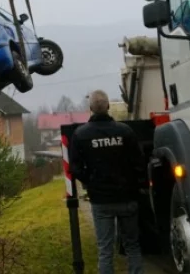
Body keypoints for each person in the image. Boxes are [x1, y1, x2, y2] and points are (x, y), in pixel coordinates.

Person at [70, 90, 145, 274]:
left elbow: (76, 167)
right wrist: (137, 184)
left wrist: (91, 182)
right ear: (108, 106)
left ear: (91, 109)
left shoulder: (81, 134)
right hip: (127, 198)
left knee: (105, 250)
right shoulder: (125, 132)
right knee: (133, 247)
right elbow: (139, 162)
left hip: (101, 201)